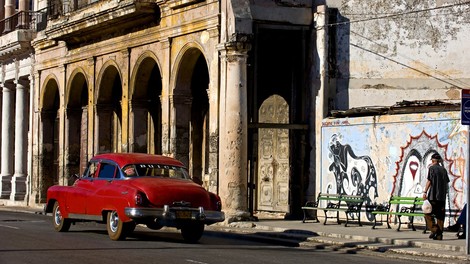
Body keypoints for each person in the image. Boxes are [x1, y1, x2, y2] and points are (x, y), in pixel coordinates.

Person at [423, 153, 450, 240]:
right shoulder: (444, 170)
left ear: (433, 160)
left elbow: (429, 181)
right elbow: (446, 183)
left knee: (427, 213)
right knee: (440, 216)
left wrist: (425, 192)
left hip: (433, 196)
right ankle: (439, 235)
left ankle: (435, 230)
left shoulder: (432, 168)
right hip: (442, 197)